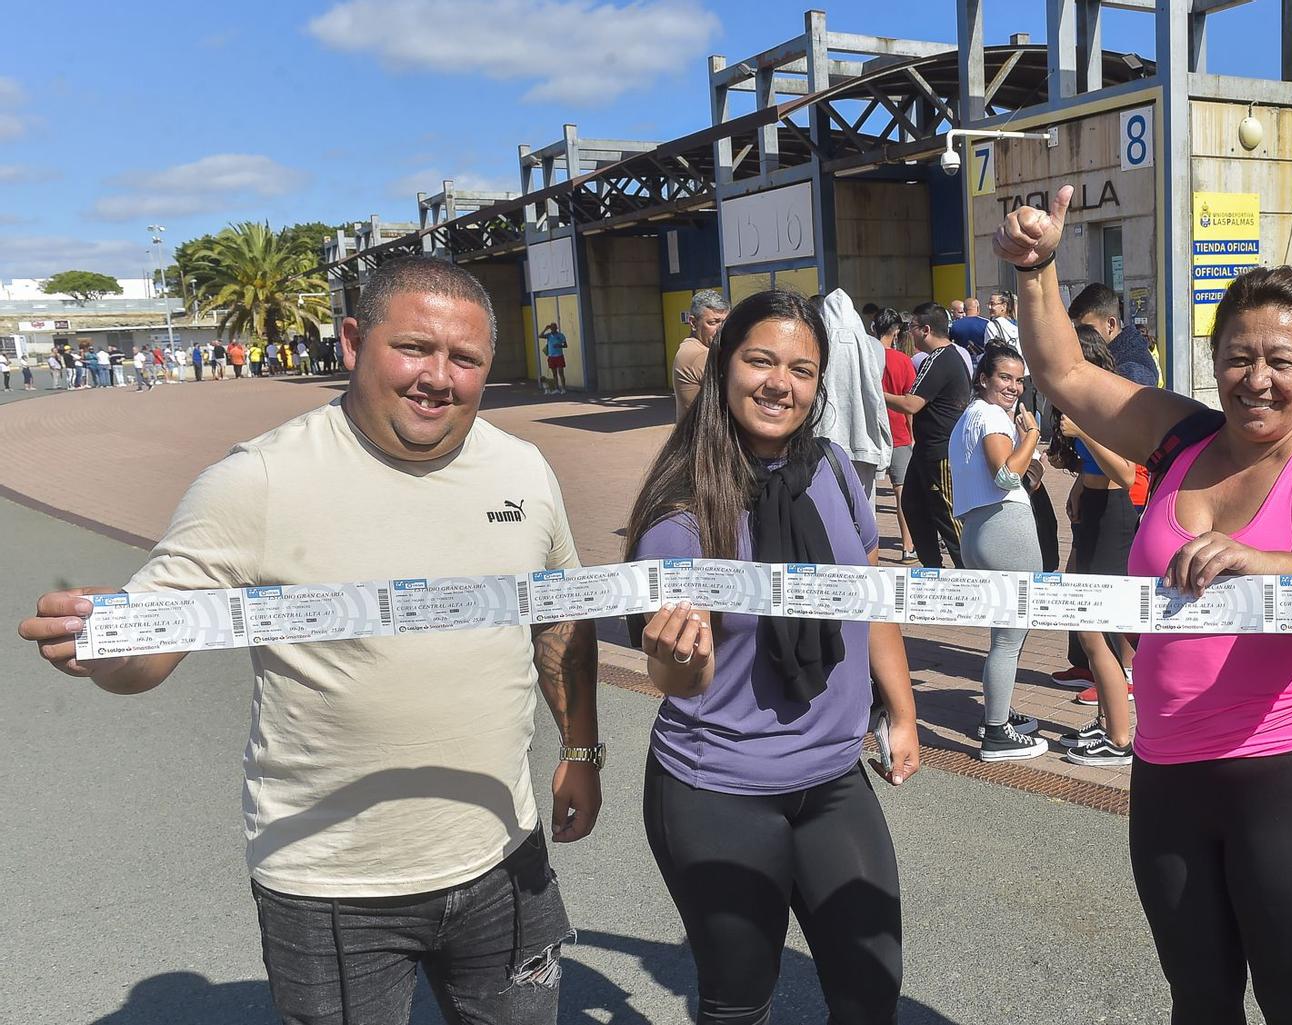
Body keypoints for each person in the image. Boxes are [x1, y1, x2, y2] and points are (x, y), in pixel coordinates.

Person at [17, 255, 602, 1024]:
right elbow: (145, 657)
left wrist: (581, 752)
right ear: (354, 340)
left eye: (465, 359)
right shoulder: (257, 479)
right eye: (415, 348)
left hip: (503, 852)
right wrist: (104, 644)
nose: (439, 377)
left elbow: (560, 615)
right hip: (332, 886)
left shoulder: (522, 469)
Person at [998, 187, 1292, 1023]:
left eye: (1281, 361)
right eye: (1238, 358)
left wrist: (1265, 560)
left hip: (1290, 773)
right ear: (1214, 360)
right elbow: (1065, 373)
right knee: (1200, 1002)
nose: (1257, 380)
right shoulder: (1180, 434)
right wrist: (1036, 268)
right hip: (1170, 772)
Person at [624, 289, 922, 1025]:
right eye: (760, 360)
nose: (779, 383)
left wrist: (904, 711)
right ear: (726, 366)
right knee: (738, 1005)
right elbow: (674, 680)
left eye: (802, 368)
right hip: (716, 788)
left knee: (872, 990)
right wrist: (675, 658)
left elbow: (866, 594)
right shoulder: (681, 508)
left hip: (833, 777)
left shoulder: (834, 471)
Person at [1059, 283, 1163, 702]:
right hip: (1100, 498)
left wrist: (1083, 430)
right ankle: (1095, 670)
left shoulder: (1130, 370)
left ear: (1110, 325)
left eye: (1085, 332)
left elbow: (1126, 461)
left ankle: (1123, 679)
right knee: (1085, 589)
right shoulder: (1102, 373)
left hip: (1127, 499)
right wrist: (1082, 485)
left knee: (1112, 596)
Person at [947, 343, 1052, 760]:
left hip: (978, 529)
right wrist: (1031, 434)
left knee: (1003, 634)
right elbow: (1008, 474)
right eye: (1004, 378)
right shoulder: (989, 415)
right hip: (1003, 526)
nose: (1013, 386)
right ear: (984, 379)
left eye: (1018, 379)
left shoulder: (969, 418)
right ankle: (996, 732)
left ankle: (999, 714)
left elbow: (1015, 472)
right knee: (1010, 637)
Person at [1049, 326, 1141, 766]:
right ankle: (1108, 722)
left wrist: (1083, 432)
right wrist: (1079, 489)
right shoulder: (1079, 404)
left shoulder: (1107, 405)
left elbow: (1125, 472)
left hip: (1115, 515)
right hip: (1095, 510)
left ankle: (1120, 738)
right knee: (1088, 622)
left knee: (1092, 626)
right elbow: (1093, 471)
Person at [884, 302, 970, 568]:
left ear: (926, 330)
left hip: (940, 451)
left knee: (948, 517)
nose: (909, 334)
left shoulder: (942, 358)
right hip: (925, 451)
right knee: (912, 505)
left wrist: (876, 395)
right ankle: (933, 568)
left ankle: (970, 571)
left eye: (912, 328)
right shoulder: (942, 358)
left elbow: (911, 404)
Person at [813, 289, 892, 486]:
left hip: (825, 440)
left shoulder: (816, 345)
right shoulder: (872, 346)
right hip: (864, 439)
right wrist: (883, 451)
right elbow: (878, 401)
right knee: (862, 509)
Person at [874, 308, 919, 560]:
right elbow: (910, 403)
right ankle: (907, 546)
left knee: (865, 492)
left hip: (871, 434)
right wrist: (913, 435)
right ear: (897, 332)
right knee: (902, 492)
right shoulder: (903, 361)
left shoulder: (866, 358)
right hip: (900, 433)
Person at [674, 289, 729, 413]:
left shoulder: (690, 347)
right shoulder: (700, 354)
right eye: (713, 322)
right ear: (693, 323)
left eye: (724, 322)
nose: (721, 329)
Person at [948, 295, 990, 362]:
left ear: (964, 309)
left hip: (962, 361)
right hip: (982, 361)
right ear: (978, 308)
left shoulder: (955, 325)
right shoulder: (987, 324)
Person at [538, 322, 569, 394]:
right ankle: (556, 388)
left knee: (561, 373)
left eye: (554, 327)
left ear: (556, 328)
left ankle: (563, 388)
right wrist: (545, 329)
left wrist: (559, 346)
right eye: (551, 327)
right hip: (551, 356)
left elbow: (565, 345)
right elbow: (540, 336)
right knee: (554, 373)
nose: (552, 329)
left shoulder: (560, 335)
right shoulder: (549, 335)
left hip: (559, 356)